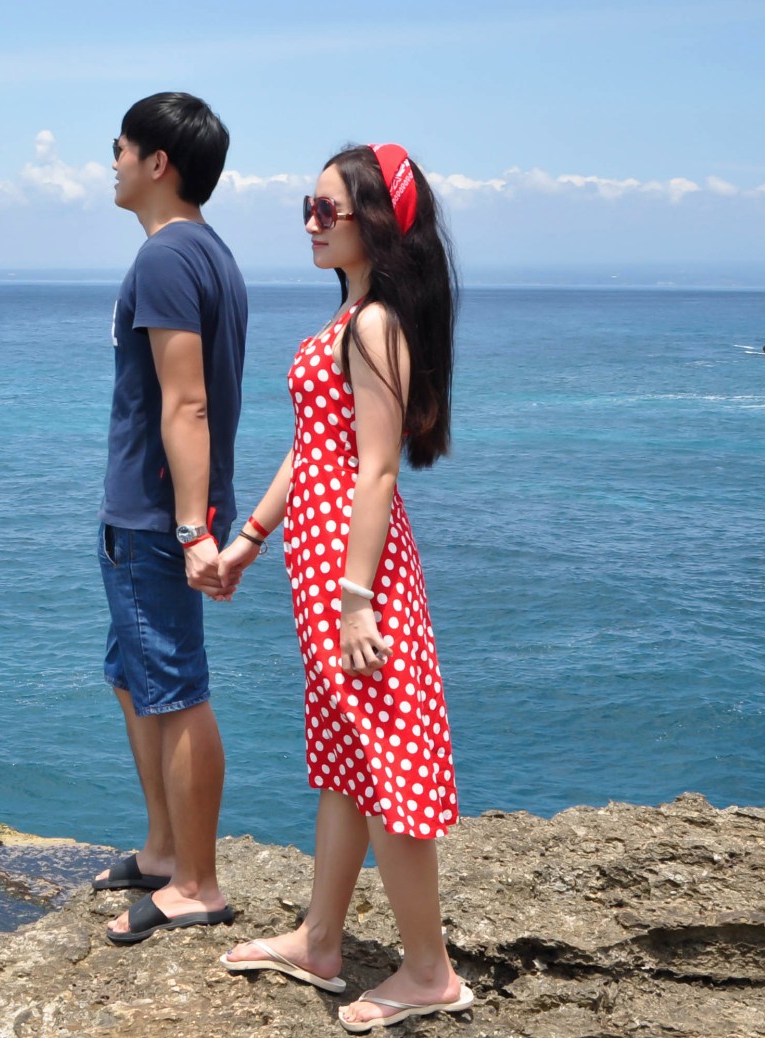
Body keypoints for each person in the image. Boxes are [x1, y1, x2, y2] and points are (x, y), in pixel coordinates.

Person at [216, 144, 472, 1032]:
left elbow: (374, 471)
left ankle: (430, 971)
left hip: (358, 584)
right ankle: (321, 940)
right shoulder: (353, 319)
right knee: (344, 762)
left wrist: (357, 596)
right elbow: (312, 450)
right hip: (325, 578)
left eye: (331, 209)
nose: (313, 223)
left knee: (391, 766)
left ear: (377, 219)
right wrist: (250, 539)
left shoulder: (373, 327)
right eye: (308, 207)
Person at [89, 92, 248, 945]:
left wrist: (193, 529)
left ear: (158, 163)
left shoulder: (164, 260)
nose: (109, 161)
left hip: (157, 516)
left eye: (118, 147)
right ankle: (162, 849)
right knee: (135, 676)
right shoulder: (208, 253)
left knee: (178, 690)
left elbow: (186, 403)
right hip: (150, 511)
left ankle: (198, 881)